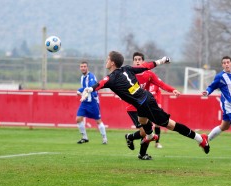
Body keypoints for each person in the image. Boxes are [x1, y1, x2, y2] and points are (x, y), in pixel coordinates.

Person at [81, 51, 210, 157]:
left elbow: (100, 84)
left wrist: (89, 89)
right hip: (142, 102)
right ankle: (149, 136)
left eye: (108, 59)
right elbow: (146, 66)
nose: (106, 61)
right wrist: (161, 60)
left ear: (112, 63)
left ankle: (200, 139)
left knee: (171, 125)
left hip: (146, 103)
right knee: (142, 120)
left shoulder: (111, 78)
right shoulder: (127, 69)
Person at [125, 52, 180, 160]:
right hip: (132, 107)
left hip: (144, 106)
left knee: (148, 131)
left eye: (139, 59)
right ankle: (131, 139)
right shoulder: (129, 74)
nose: (137, 61)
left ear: (143, 62)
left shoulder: (149, 74)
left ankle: (139, 150)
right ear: (133, 61)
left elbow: (161, 84)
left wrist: (173, 90)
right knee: (145, 132)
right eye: (135, 59)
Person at [76, 61, 107, 144]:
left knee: (98, 120)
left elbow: (90, 87)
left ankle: (104, 138)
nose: (83, 68)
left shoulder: (91, 77)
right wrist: (79, 91)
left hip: (93, 101)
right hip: (85, 102)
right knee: (78, 119)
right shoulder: (82, 77)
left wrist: (81, 92)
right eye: (81, 66)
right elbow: (84, 88)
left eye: (84, 66)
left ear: (87, 67)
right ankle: (84, 137)